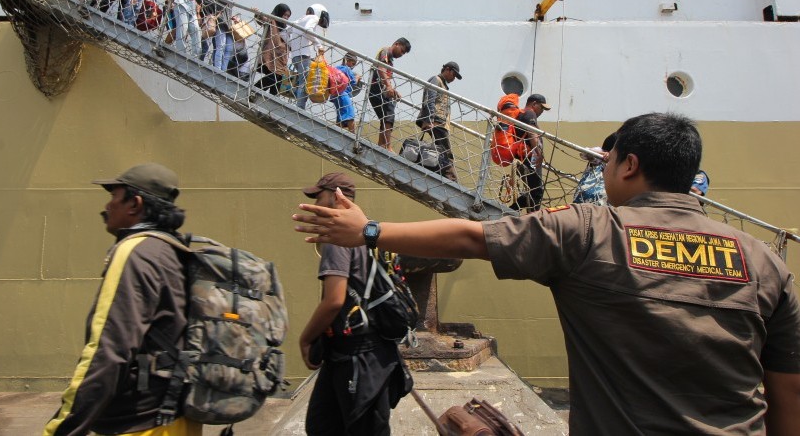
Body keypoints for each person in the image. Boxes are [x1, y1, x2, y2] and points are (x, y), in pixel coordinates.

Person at [293, 112, 800, 436]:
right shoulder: (764, 262)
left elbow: (474, 236)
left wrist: (370, 231)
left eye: (608, 160)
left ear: (629, 165)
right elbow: (788, 394)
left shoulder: (589, 231)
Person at [44, 163, 200, 436]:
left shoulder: (134, 251)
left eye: (114, 198)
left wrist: (63, 428)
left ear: (134, 204)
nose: (107, 207)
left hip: (138, 424)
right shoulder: (173, 249)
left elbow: (107, 351)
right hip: (177, 416)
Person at [298, 173, 410, 436]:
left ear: (336, 196)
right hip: (365, 354)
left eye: (319, 195)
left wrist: (304, 339)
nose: (316, 201)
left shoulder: (338, 237)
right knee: (322, 426)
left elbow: (334, 301)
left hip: (357, 357)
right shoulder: (368, 232)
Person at [416, 61, 462, 182]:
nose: (454, 78)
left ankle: (442, 176)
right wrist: (429, 119)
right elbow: (429, 100)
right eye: (454, 75)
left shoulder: (443, 84)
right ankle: (452, 181)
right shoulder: (436, 80)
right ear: (447, 69)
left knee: (440, 151)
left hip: (440, 123)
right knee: (447, 154)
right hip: (436, 123)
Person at [284, 4, 330, 109]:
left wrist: (291, 46)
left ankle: (298, 104)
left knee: (302, 80)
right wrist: (319, 45)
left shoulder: (299, 20)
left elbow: (285, 31)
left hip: (295, 57)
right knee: (305, 82)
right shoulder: (314, 17)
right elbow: (308, 29)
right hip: (303, 55)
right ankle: (300, 108)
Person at [370, 38, 412, 151]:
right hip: (376, 88)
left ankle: (381, 144)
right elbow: (381, 68)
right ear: (396, 44)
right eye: (402, 51)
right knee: (389, 114)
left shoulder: (391, 61)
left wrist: (393, 90)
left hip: (380, 89)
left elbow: (386, 77)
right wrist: (389, 87)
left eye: (404, 53)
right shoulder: (385, 51)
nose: (401, 54)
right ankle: (387, 146)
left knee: (386, 117)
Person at [514, 93, 550, 212]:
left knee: (533, 191)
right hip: (529, 159)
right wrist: (539, 154)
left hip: (523, 158)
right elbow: (532, 134)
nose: (542, 111)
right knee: (537, 192)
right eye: (542, 107)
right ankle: (529, 217)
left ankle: (514, 211)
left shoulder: (522, 113)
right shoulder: (530, 113)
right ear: (534, 104)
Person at [255, 3, 292, 94]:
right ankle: (254, 90)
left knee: (278, 81)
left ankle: (271, 102)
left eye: (288, 16)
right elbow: (263, 20)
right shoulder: (272, 21)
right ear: (279, 13)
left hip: (280, 61)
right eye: (284, 15)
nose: (286, 18)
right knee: (273, 77)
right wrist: (257, 13)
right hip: (270, 57)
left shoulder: (286, 30)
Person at [572, 133, 617, 206]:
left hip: (602, 202)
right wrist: (602, 153)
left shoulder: (618, 164)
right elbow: (583, 153)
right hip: (585, 196)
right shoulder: (599, 159)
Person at [330, 53, 362, 133]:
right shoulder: (347, 69)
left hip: (335, 95)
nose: (353, 66)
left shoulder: (336, 68)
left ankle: (335, 134)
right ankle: (353, 136)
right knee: (350, 115)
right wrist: (357, 77)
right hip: (344, 95)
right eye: (352, 63)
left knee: (340, 117)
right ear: (347, 60)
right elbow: (353, 82)